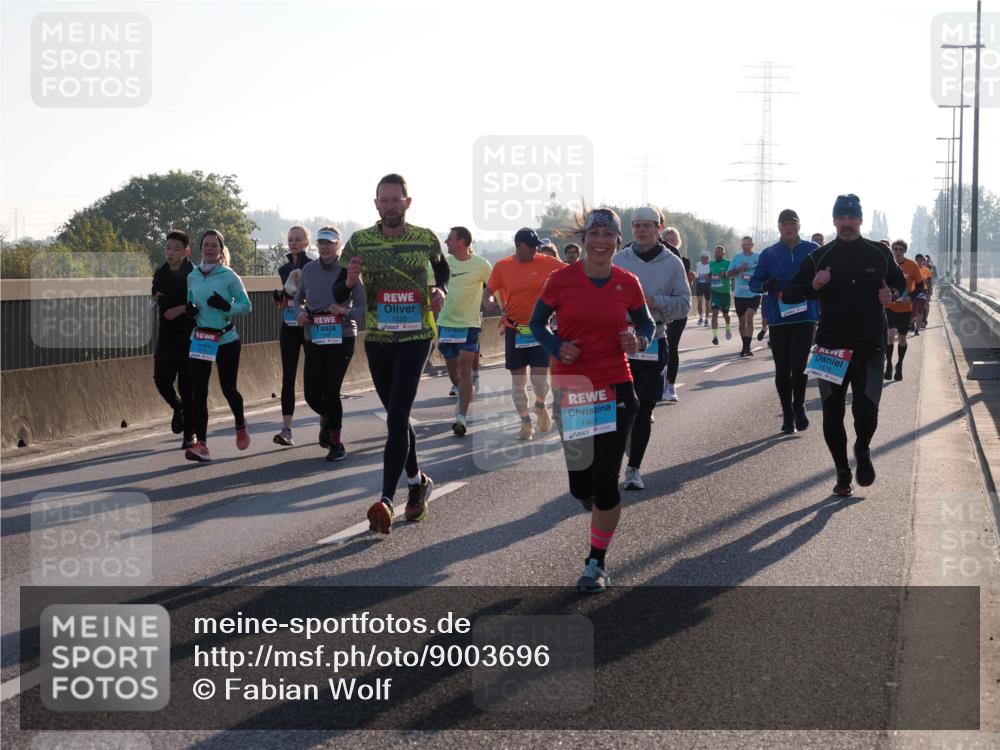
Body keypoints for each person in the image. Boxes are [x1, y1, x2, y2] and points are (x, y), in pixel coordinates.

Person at [528, 207, 653, 593]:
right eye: (594, 234)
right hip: (574, 389)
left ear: (618, 241)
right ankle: (594, 500)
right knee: (581, 487)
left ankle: (596, 563)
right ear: (584, 240)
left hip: (616, 387)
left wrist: (638, 340)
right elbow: (536, 323)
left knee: (606, 480)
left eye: (608, 235)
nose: (600, 241)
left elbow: (646, 324)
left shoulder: (628, 282)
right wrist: (556, 346)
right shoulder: (560, 280)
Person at [335, 174, 449, 534]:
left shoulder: (425, 238)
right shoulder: (360, 241)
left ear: (407, 202)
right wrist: (349, 281)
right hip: (379, 338)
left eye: (395, 200)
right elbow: (339, 292)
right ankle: (417, 482)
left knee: (397, 416)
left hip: (416, 336)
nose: (389, 206)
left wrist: (441, 290)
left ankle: (386, 500)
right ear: (376, 204)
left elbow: (442, 269)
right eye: (383, 200)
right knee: (397, 419)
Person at [783, 194, 905, 497]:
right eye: (841, 218)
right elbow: (789, 293)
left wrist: (892, 293)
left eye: (852, 218)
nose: (847, 223)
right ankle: (841, 472)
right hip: (830, 348)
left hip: (869, 345)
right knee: (832, 413)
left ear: (860, 221)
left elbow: (900, 282)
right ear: (834, 221)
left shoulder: (879, 252)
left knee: (866, 411)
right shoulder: (820, 257)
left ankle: (862, 448)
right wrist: (814, 285)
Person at [613, 206, 690, 490]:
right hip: (621, 340)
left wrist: (653, 301)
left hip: (655, 339)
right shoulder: (618, 259)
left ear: (659, 228)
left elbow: (684, 305)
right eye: (637, 226)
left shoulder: (672, 263)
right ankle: (621, 447)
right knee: (621, 407)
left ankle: (634, 469)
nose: (641, 230)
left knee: (645, 407)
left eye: (647, 225)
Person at [486, 228, 565, 440]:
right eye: (531, 247)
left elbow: (572, 273)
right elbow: (488, 291)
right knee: (518, 383)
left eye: (536, 247)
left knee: (540, 382)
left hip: (539, 330)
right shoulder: (502, 266)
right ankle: (525, 422)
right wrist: (489, 302)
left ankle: (540, 404)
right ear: (518, 246)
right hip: (514, 330)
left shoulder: (546, 262)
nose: (534, 251)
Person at [184, 230, 253, 462]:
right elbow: (190, 300)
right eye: (206, 244)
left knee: (228, 388)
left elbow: (246, 306)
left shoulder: (229, 276)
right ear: (201, 248)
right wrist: (190, 309)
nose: (210, 248)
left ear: (221, 249)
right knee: (198, 392)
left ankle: (240, 424)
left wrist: (226, 306)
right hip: (201, 338)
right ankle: (201, 444)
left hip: (225, 339)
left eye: (214, 245)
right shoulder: (193, 276)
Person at [749, 209, 820, 434]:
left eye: (792, 224)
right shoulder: (769, 253)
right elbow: (753, 283)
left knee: (799, 366)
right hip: (778, 318)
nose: (788, 228)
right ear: (779, 227)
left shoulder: (812, 250)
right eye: (784, 224)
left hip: (805, 316)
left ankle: (799, 407)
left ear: (799, 226)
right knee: (782, 369)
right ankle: (787, 414)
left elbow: (826, 276)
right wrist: (764, 285)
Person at [296, 226, 363, 461]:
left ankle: (336, 443)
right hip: (314, 335)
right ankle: (327, 417)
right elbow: (297, 300)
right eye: (321, 243)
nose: (325, 247)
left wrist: (345, 311)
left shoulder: (349, 272)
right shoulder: (308, 269)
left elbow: (363, 310)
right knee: (312, 395)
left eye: (329, 243)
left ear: (338, 246)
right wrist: (300, 312)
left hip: (342, 335)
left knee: (331, 391)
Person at [438, 226, 493, 436]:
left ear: (462, 242)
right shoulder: (443, 263)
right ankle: (466, 390)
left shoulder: (481, 264)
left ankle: (461, 417)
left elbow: (495, 285)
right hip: (446, 324)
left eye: (450, 239)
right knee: (454, 375)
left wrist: (497, 304)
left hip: (470, 325)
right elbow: (427, 282)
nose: (446, 242)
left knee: (465, 368)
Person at [151, 230, 195, 448]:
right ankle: (177, 407)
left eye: (176, 249)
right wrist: (161, 298)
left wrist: (178, 307)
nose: (171, 253)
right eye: (168, 248)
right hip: (166, 336)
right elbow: (156, 294)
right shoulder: (161, 272)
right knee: (161, 379)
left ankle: (190, 435)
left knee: (188, 387)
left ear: (186, 251)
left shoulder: (194, 274)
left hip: (189, 337)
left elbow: (196, 304)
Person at [272, 226, 314, 446]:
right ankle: (286, 429)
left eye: (298, 239)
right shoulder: (284, 269)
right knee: (288, 377)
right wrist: (279, 296)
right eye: (290, 239)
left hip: (310, 325)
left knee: (315, 376)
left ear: (306, 241)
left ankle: (327, 422)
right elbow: (289, 293)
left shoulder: (314, 267)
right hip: (289, 326)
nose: (294, 243)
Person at [660, 225, 693, 400]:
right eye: (668, 239)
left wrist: (690, 280)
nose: (671, 242)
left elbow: (684, 287)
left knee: (672, 347)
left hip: (677, 310)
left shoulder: (683, 261)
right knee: (658, 349)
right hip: (658, 309)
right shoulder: (654, 262)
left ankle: (670, 386)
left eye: (673, 240)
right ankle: (657, 382)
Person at [883, 239, 924, 381]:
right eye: (895, 249)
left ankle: (899, 364)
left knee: (902, 339)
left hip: (905, 308)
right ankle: (888, 364)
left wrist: (911, 297)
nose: (898, 252)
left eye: (901, 250)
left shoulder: (912, 265)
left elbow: (920, 286)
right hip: (889, 306)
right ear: (892, 250)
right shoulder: (886, 265)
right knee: (890, 334)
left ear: (904, 251)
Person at [727, 236, 761, 357]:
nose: (746, 246)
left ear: (752, 245)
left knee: (749, 317)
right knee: (742, 322)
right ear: (742, 246)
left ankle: (747, 346)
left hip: (754, 293)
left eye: (748, 244)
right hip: (740, 294)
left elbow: (765, 271)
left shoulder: (758, 257)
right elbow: (728, 274)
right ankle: (744, 345)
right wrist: (740, 269)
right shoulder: (737, 258)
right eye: (744, 244)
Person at [708, 245, 733, 345]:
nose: (717, 254)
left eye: (719, 252)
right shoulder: (711, 264)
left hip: (725, 293)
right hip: (715, 292)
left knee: (726, 315)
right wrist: (708, 277)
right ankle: (715, 337)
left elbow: (732, 274)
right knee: (714, 313)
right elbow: (710, 275)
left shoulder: (728, 263)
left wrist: (726, 273)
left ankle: (728, 328)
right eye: (716, 252)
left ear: (723, 253)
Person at [916, 253, 934, 328]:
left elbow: (930, 280)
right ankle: (917, 321)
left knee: (925, 305)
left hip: (925, 290)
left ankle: (923, 320)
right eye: (924, 260)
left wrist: (930, 291)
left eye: (926, 260)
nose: (924, 262)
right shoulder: (915, 268)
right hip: (916, 290)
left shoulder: (929, 268)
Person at [694, 250, 711, 325]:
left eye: (705, 258)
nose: (703, 259)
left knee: (707, 304)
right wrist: (696, 276)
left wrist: (709, 276)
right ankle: (701, 318)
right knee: (699, 302)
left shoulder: (710, 265)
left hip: (707, 285)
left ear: (708, 258)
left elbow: (712, 274)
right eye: (702, 257)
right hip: (699, 285)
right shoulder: (698, 264)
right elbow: (696, 274)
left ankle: (706, 319)